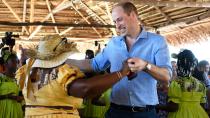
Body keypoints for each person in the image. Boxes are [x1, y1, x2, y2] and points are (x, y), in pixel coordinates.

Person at [66, 1, 171, 118]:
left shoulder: (157, 41)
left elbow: (166, 77)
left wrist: (146, 66)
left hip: (145, 113)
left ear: (133, 15)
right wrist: (63, 60)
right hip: (116, 111)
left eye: (120, 19)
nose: (117, 25)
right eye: (115, 21)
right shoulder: (113, 43)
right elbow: (93, 64)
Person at [15, 35, 131, 118]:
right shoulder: (61, 72)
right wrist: (121, 73)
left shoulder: (27, 71)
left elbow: (92, 67)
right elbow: (86, 88)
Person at [155, 49, 208, 118]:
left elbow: (173, 107)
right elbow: (202, 105)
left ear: (179, 65)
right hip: (199, 114)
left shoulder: (177, 84)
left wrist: (158, 107)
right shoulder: (201, 85)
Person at [0, 49, 24, 118]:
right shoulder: (1, 78)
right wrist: (8, 96)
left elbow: (20, 94)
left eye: (17, 62)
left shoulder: (18, 79)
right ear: (5, 64)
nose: (16, 64)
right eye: (13, 61)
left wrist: (21, 98)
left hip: (16, 111)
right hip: (3, 110)